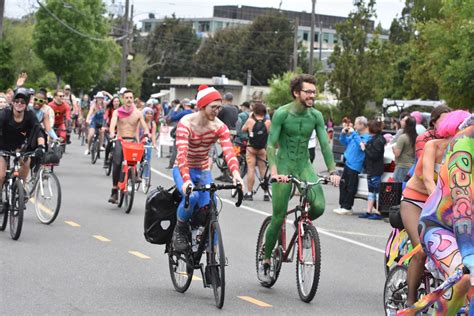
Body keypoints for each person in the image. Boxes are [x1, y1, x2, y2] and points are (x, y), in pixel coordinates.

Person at [259, 74, 340, 281]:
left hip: (304, 165)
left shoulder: (316, 116)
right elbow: (270, 145)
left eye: (314, 92)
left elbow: (324, 145)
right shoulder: (282, 114)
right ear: (297, 93)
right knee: (278, 217)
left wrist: (332, 171)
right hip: (284, 163)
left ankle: (302, 225)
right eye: (308, 91)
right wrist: (275, 172)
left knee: (320, 206)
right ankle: (267, 259)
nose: (312, 95)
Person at [400, 110, 470, 307]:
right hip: (416, 202)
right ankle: (411, 300)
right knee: (421, 251)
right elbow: (428, 178)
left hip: (445, 208)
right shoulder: (433, 146)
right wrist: (440, 202)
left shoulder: (463, 152)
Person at [171, 85, 244, 252]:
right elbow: (181, 155)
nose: (217, 111)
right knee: (193, 196)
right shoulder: (186, 123)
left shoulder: (219, 127)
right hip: (184, 168)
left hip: (203, 170)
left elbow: (229, 152)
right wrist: (186, 180)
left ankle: (213, 252)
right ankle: (180, 230)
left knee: (210, 206)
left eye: (219, 107)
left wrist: (236, 174)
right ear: (201, 106)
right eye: (213, 107)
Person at [418, 112, 473, 314]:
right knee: (464, 278)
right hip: (440, 225)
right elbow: (462, 200)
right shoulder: (464, 141)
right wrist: (468, 253)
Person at [107, 89, 150, 204]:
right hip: (120, 140)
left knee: (142, 154)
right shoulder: (117, 112)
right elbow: (112, 126)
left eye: (131, 97)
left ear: (133, 99)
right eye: (126, 98)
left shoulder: (138, 113)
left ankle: (134, 173)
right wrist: (112, 134)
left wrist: (146, 135)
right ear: (123, 99)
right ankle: (115, 190)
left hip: (133, 141)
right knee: (116, 163)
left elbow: (145, 127)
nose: (129, 100)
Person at [0, 88, 46, 191]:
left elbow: (38, 131)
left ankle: (21, 186)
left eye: (22, 102)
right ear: (12, 102)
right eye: (17, 101)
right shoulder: (4, 114)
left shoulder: (30, 115)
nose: (19, 103)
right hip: (3, 146)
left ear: (26, 104)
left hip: (20, 146)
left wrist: (41, 146)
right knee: (1, 176)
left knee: (27, 161)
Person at [333, 116, 371, 215]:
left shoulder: (366, 137)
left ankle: (347, 206)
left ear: (362, 125)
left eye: (356, 124)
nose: (354, 126)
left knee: (351, 186)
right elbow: (344, 141)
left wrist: (353, 133)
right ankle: (343, 205)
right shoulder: (355, 135)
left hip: (355, 165)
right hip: (348, 162)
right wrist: (343, 133)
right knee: (343, 184)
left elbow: (361, 146)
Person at [241, 101, 271, 201]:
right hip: (262, 149)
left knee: (251, 169)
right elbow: (270, 134)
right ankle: (266, 193)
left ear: (254, 111)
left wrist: (250, 117)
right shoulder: (267, 123)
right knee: (263, 171)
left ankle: (249, 193)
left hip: (251, 149)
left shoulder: (250, 121)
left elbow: (243, 129)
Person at [359, 120, 386, 219]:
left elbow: (374, 155)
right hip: (371, 169)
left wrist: (364, 148)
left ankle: (378, 211)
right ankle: (369, 211)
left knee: (377, 191)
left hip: (375, 169)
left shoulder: (378, 140)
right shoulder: (375, 139)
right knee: (371, 191)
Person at [166, 98, 194, 169]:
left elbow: (173, 117)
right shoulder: (193, 112)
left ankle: (172, 164)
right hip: (191, 132)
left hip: (181, 132)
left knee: (176, 148)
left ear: (183, 105)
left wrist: (176, 109)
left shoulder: (184, 112)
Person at [393, 116, 417, 182]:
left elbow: (397, 154)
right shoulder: (416, 137)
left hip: (401, 166)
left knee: (397, 190)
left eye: (403, 121)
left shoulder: (402, 137)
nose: (401, 122)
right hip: (412, 167)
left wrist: (393, 148)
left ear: (406, 124)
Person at [139, 107, 157, 180]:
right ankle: (138, 173)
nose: (149, 115)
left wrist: (154, 144)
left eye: (151, 114)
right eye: (147, 113)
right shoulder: (140, 122)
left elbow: (153, 135)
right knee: (140, 158)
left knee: (148, 159)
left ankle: (146, 176)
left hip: (147, 142)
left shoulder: (153, 123)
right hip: (140, 141)